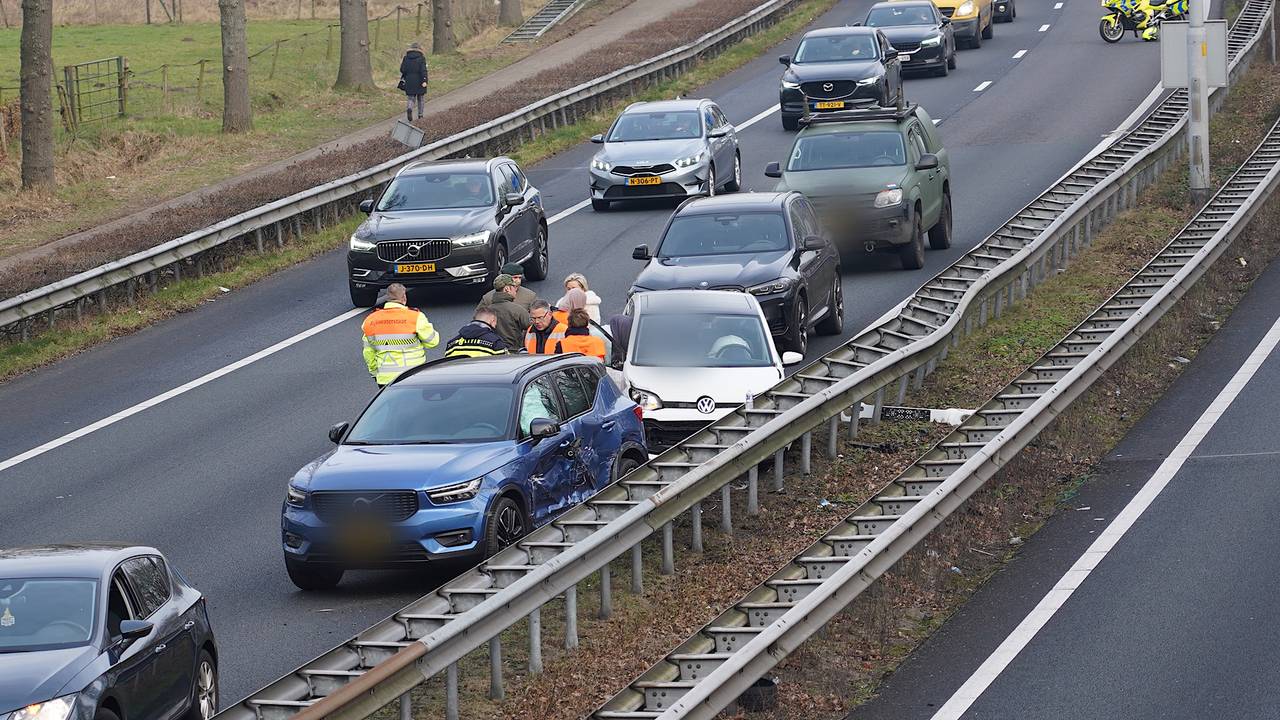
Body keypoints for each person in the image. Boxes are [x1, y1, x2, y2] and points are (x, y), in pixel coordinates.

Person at [361, 283, 439, 387]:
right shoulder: (415, 317)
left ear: (387, 298)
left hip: (385, 378)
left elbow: (368, 352)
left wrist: (375, 373)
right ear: (404, 297)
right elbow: (433, 342)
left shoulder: (371, 319)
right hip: (413, 375)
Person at [488, 274, 532, 350]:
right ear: (507, 289)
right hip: (513, 353)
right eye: (514, 287)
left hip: (492, 353)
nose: (516, 290)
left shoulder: (486, 310)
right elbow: (532, 327)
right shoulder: (517, 310)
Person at [399, 42, 429, 122]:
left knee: (411, 98)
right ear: (419, 49)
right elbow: (423, 70)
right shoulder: (421, 58)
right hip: (419, 80)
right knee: (421, 98)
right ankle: (420, 115)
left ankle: (409, 108)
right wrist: (425, 80)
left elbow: (402, 70)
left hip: (409, 80)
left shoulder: (406, 58)